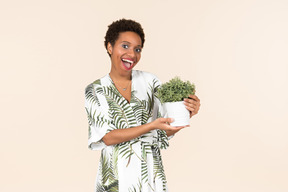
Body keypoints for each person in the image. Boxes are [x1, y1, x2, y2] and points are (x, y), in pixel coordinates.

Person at [85, 18, 200, 192]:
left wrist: (187, 112)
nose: (132, 54)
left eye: (137, 49)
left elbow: (165, 128)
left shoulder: (150, 82)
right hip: (116, 177)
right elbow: (107, 137)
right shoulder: (95, 90)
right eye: (125, 46)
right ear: (110, 47)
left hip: (149, 174)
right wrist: (151, 126)